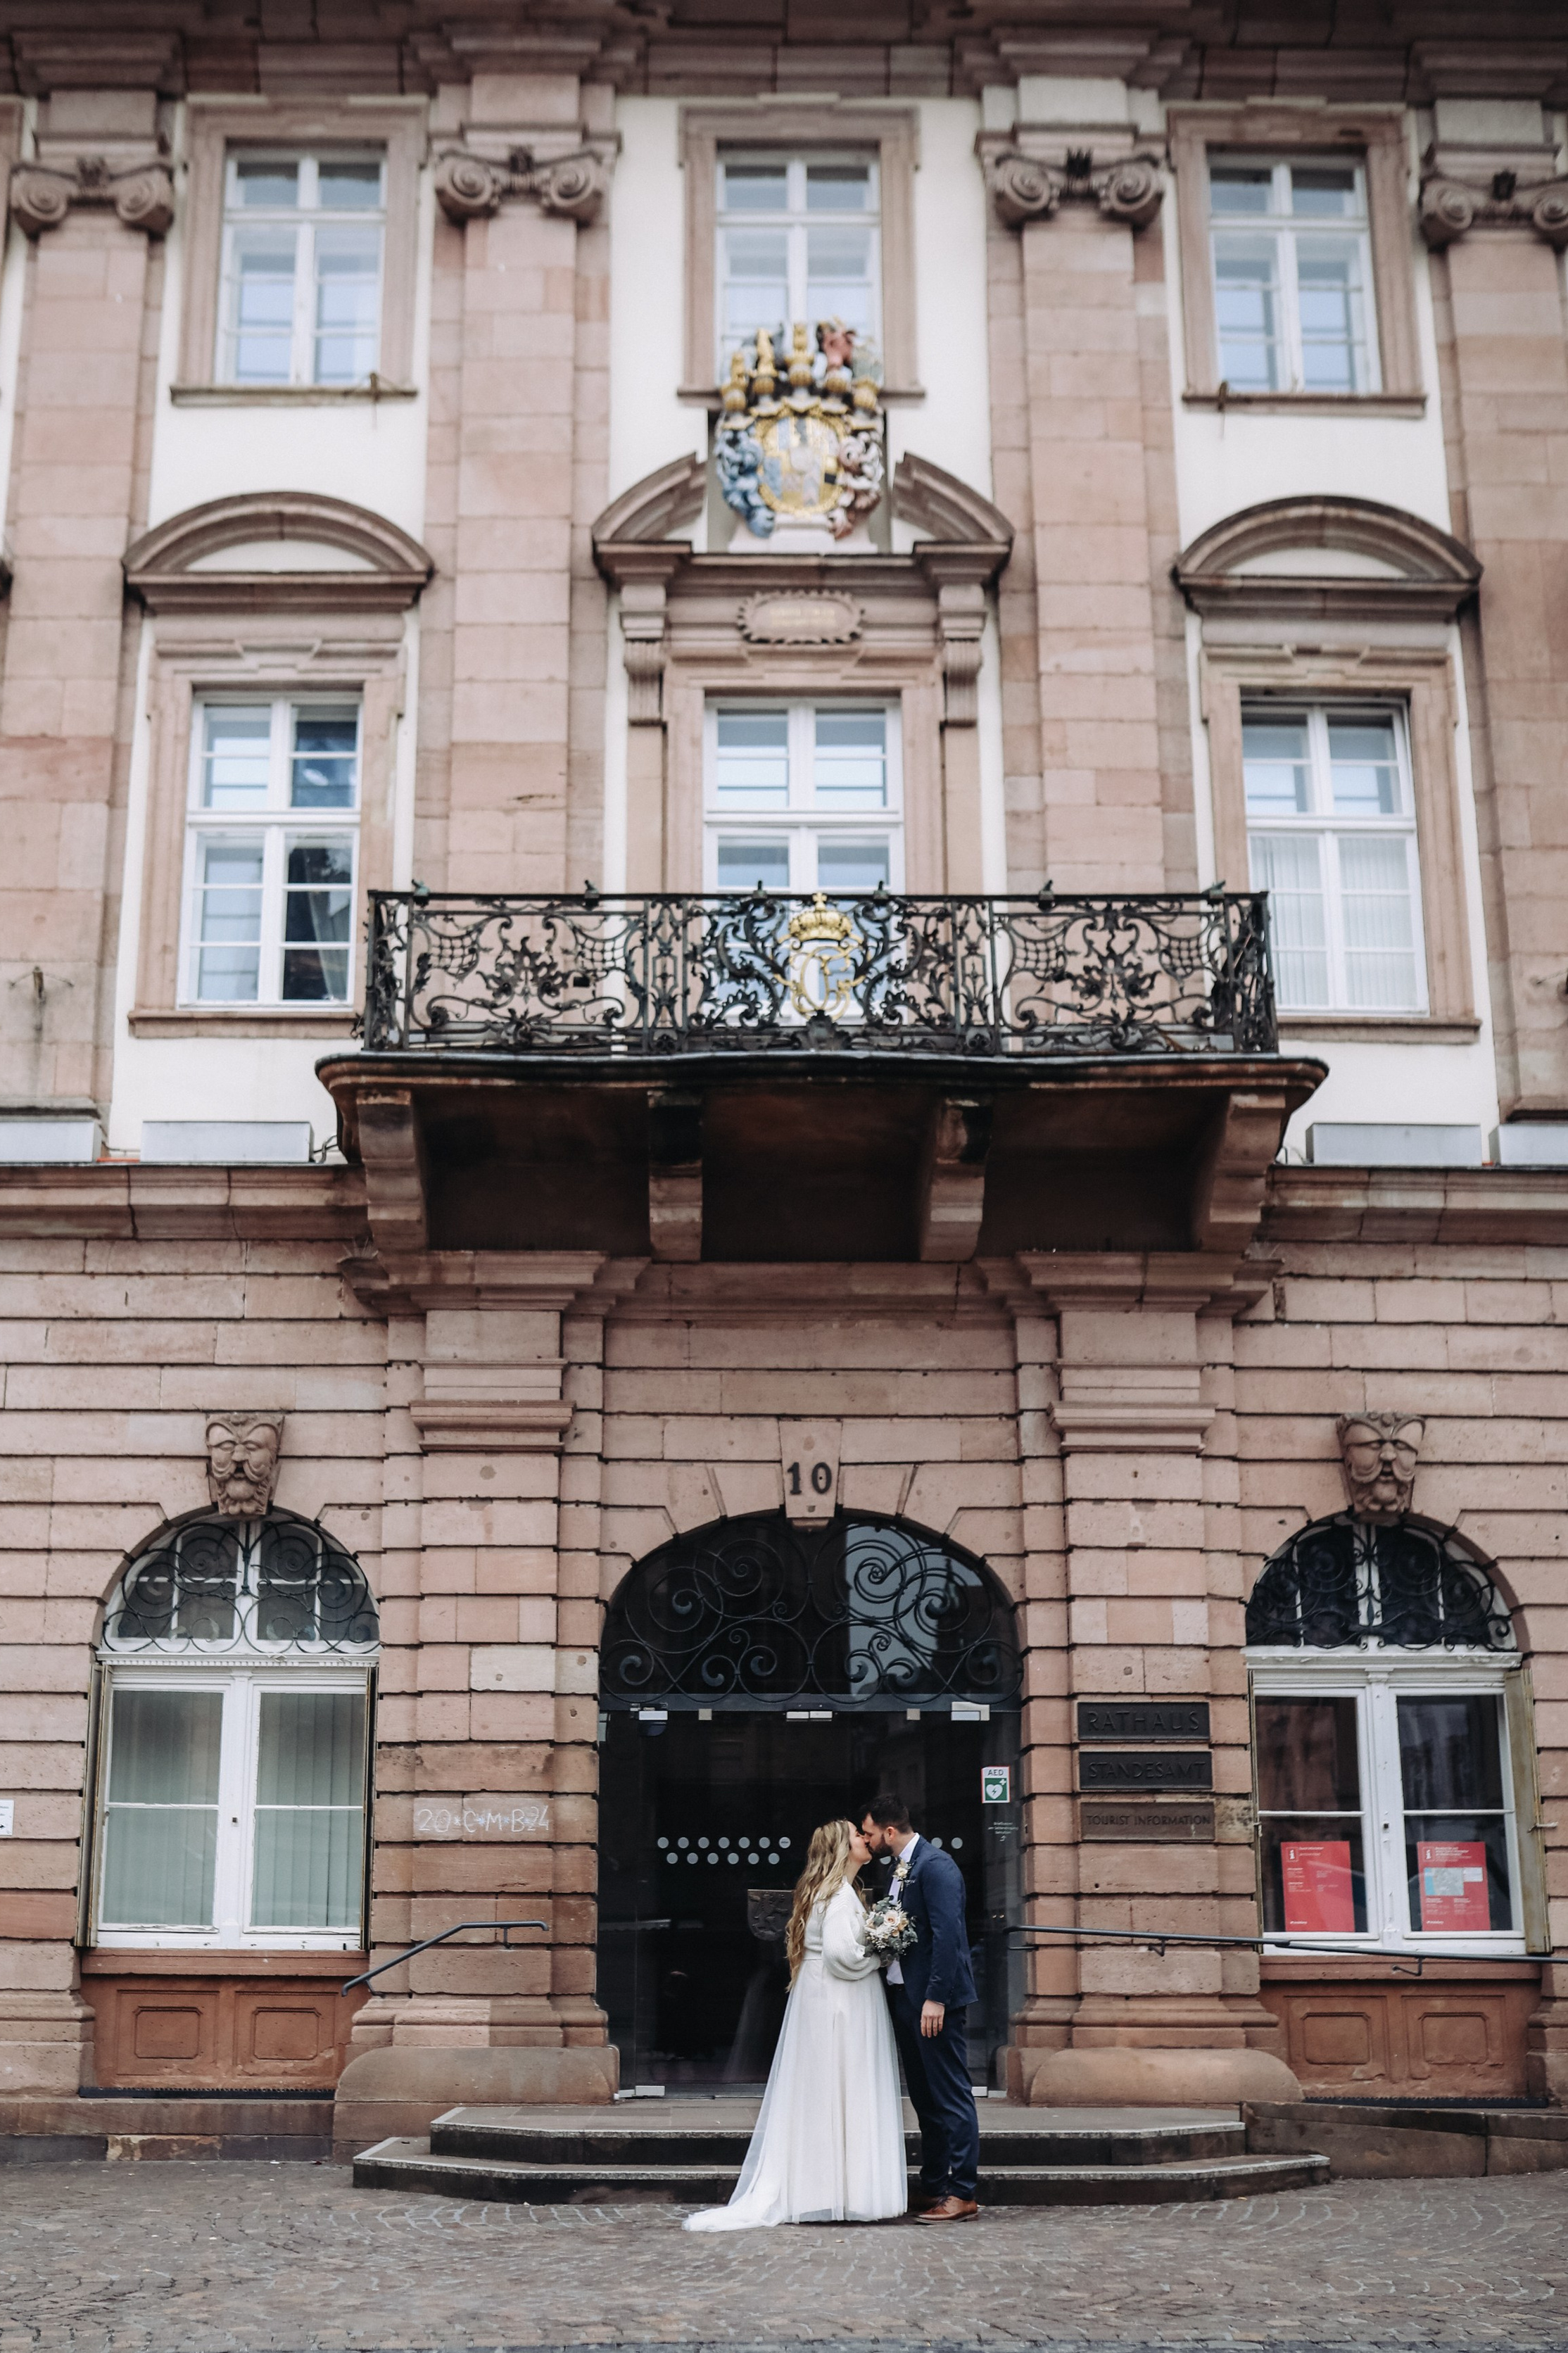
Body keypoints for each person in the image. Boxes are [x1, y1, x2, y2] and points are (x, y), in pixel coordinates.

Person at [683, 1817, 906, 2231]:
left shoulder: (830, 1892)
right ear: (843, 1847)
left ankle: (824, 2189)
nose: (865, 1838)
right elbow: (843, 1956)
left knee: (823, 2092)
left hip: (824, 1997)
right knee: (843, 2086)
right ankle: (842, 2191)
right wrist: (882, 1956)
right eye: (857, 1835)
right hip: (841, 2001)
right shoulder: (840, 1896)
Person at [861, 1791, 980, 2223]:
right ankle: (934, 2186)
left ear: (890, 1831)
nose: (867, 1840)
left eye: (871, 1833)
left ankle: (963, 2192)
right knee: (926, 2100)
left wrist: (936, 1998)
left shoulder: (937, 1866)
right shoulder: (901, 1868)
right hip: (907, 1999)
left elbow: (949, 1937)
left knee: (951, 2096)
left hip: (934, 2003)